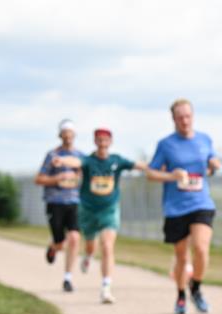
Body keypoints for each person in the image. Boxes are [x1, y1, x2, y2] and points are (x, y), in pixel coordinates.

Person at [54, 127, 180, 303]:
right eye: (99, 139)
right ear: (95, 141)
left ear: (110, 142)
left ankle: (106, 287)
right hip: (89, 210)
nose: (102, 143)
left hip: (109, 209)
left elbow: (139, 165)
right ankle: (89, 256)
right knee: (91, 245)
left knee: (107, 245)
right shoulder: (89, 161)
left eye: (106, 139)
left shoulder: (117, 161)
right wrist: (62, 160)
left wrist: (160, 167)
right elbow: (75, 161)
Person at [149, 99, 221, 314]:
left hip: (201, 202)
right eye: (180, 117)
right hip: (175, 206)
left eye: (188, 116)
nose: (185, 121)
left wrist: (214, 165)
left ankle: (196, 287)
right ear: (173, 119)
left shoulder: (204, 139)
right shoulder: (166, 144)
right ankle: (180, 295)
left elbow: (211, 163)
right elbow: (151, 173)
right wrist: (171, 175)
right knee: (182, 256)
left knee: (200, 247)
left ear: (193, 116)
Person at [35, 119, 83, 292]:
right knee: (61, 242)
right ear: (60, 135)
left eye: (71, 133)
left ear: (74, 135)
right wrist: (56, 179)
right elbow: (39, 178)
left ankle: (68, 278)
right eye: (65, 133)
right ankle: (53, 246)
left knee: (75, 238)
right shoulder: (52, 155)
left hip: (75, 202)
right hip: (55, 202)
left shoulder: (80, 156)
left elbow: (86, 175)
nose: (68, 136)